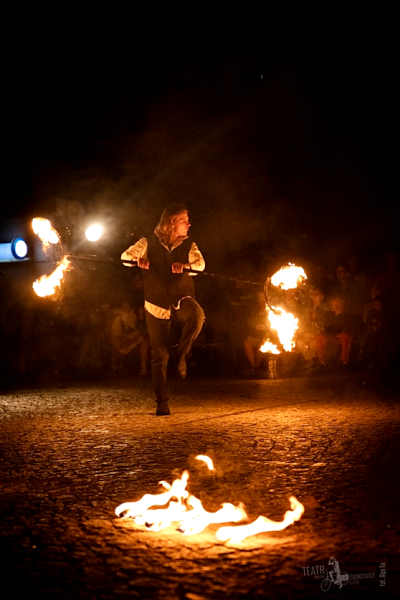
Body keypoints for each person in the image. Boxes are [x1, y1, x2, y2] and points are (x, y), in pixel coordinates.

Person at [121, 204, 205, 415]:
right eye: (184, 220)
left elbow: (200, 265)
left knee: (197, 315)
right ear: (171, 222)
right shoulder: (146, 243)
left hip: (181, 297)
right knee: (159, 356)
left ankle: (181, 353)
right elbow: (125, 258)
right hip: (155, 302)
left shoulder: (189, 245)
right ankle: (162, 402)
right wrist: (138, 260)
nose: (188, 224)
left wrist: (184, 266)